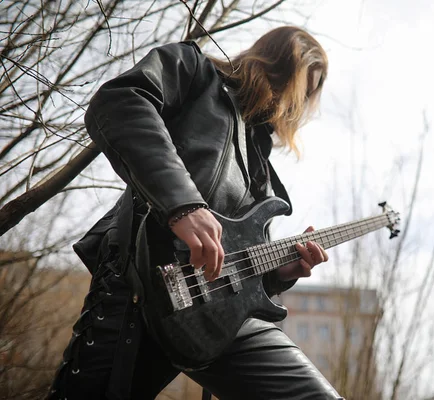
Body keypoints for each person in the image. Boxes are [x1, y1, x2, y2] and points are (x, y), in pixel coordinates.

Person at [49, 26, 343, 399]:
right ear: (281, 66)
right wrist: (183, 204)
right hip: (144, 286)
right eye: (304, 86)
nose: (300, 103)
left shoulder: (263, 168)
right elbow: (120, 100)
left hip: (224, 319)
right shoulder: (195, 71)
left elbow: (243, 269)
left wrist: (280, 274)